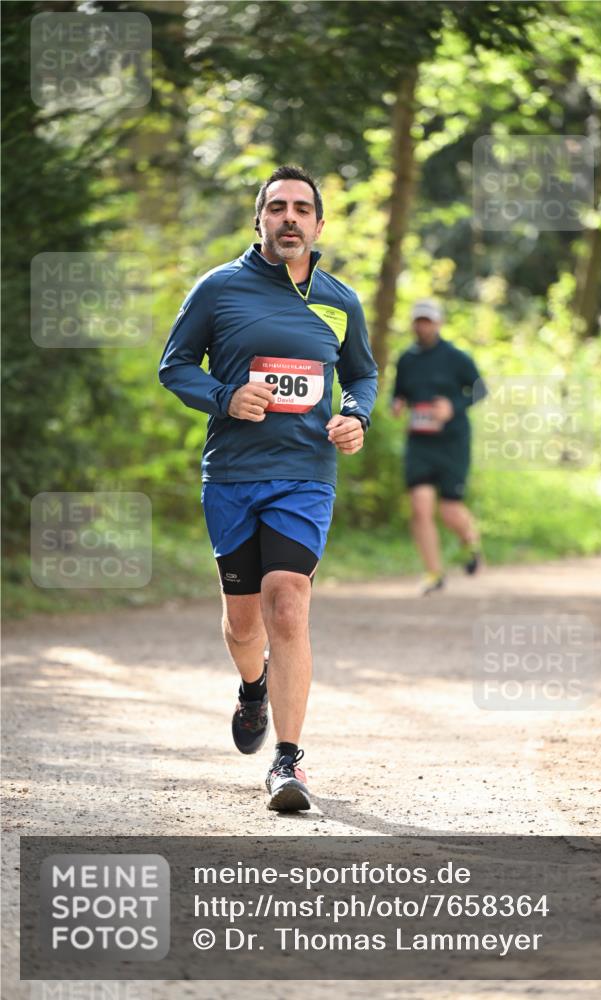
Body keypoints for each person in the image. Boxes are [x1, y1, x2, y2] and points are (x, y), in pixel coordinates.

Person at [159, 165, 377, 811]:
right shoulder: (219, 289)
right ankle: (251, 686)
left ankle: (288, 762)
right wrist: (225, 397)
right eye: (276, 207)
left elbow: (361, 374)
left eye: (301, 208)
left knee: (288, 602)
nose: (289, 218)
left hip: (305, 474)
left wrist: (355, 415)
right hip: (231, 474)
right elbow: (174, 367)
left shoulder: (340, 301)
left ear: (317, 223)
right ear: (258, 219)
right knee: (242, 622)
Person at [392, 299, 486, 595]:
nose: (423, 326)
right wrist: (397, 404)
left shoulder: (456, 357)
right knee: (420, 508)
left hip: (452, 441)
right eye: (418, 320)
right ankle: (434, 573)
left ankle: (471, 543)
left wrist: (453, 406)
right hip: (420, 442)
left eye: (428, 321)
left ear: (438, 323)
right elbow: (399, 393)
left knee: (449, 511)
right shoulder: (406, 359)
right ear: (413, 324)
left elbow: (481, 389)